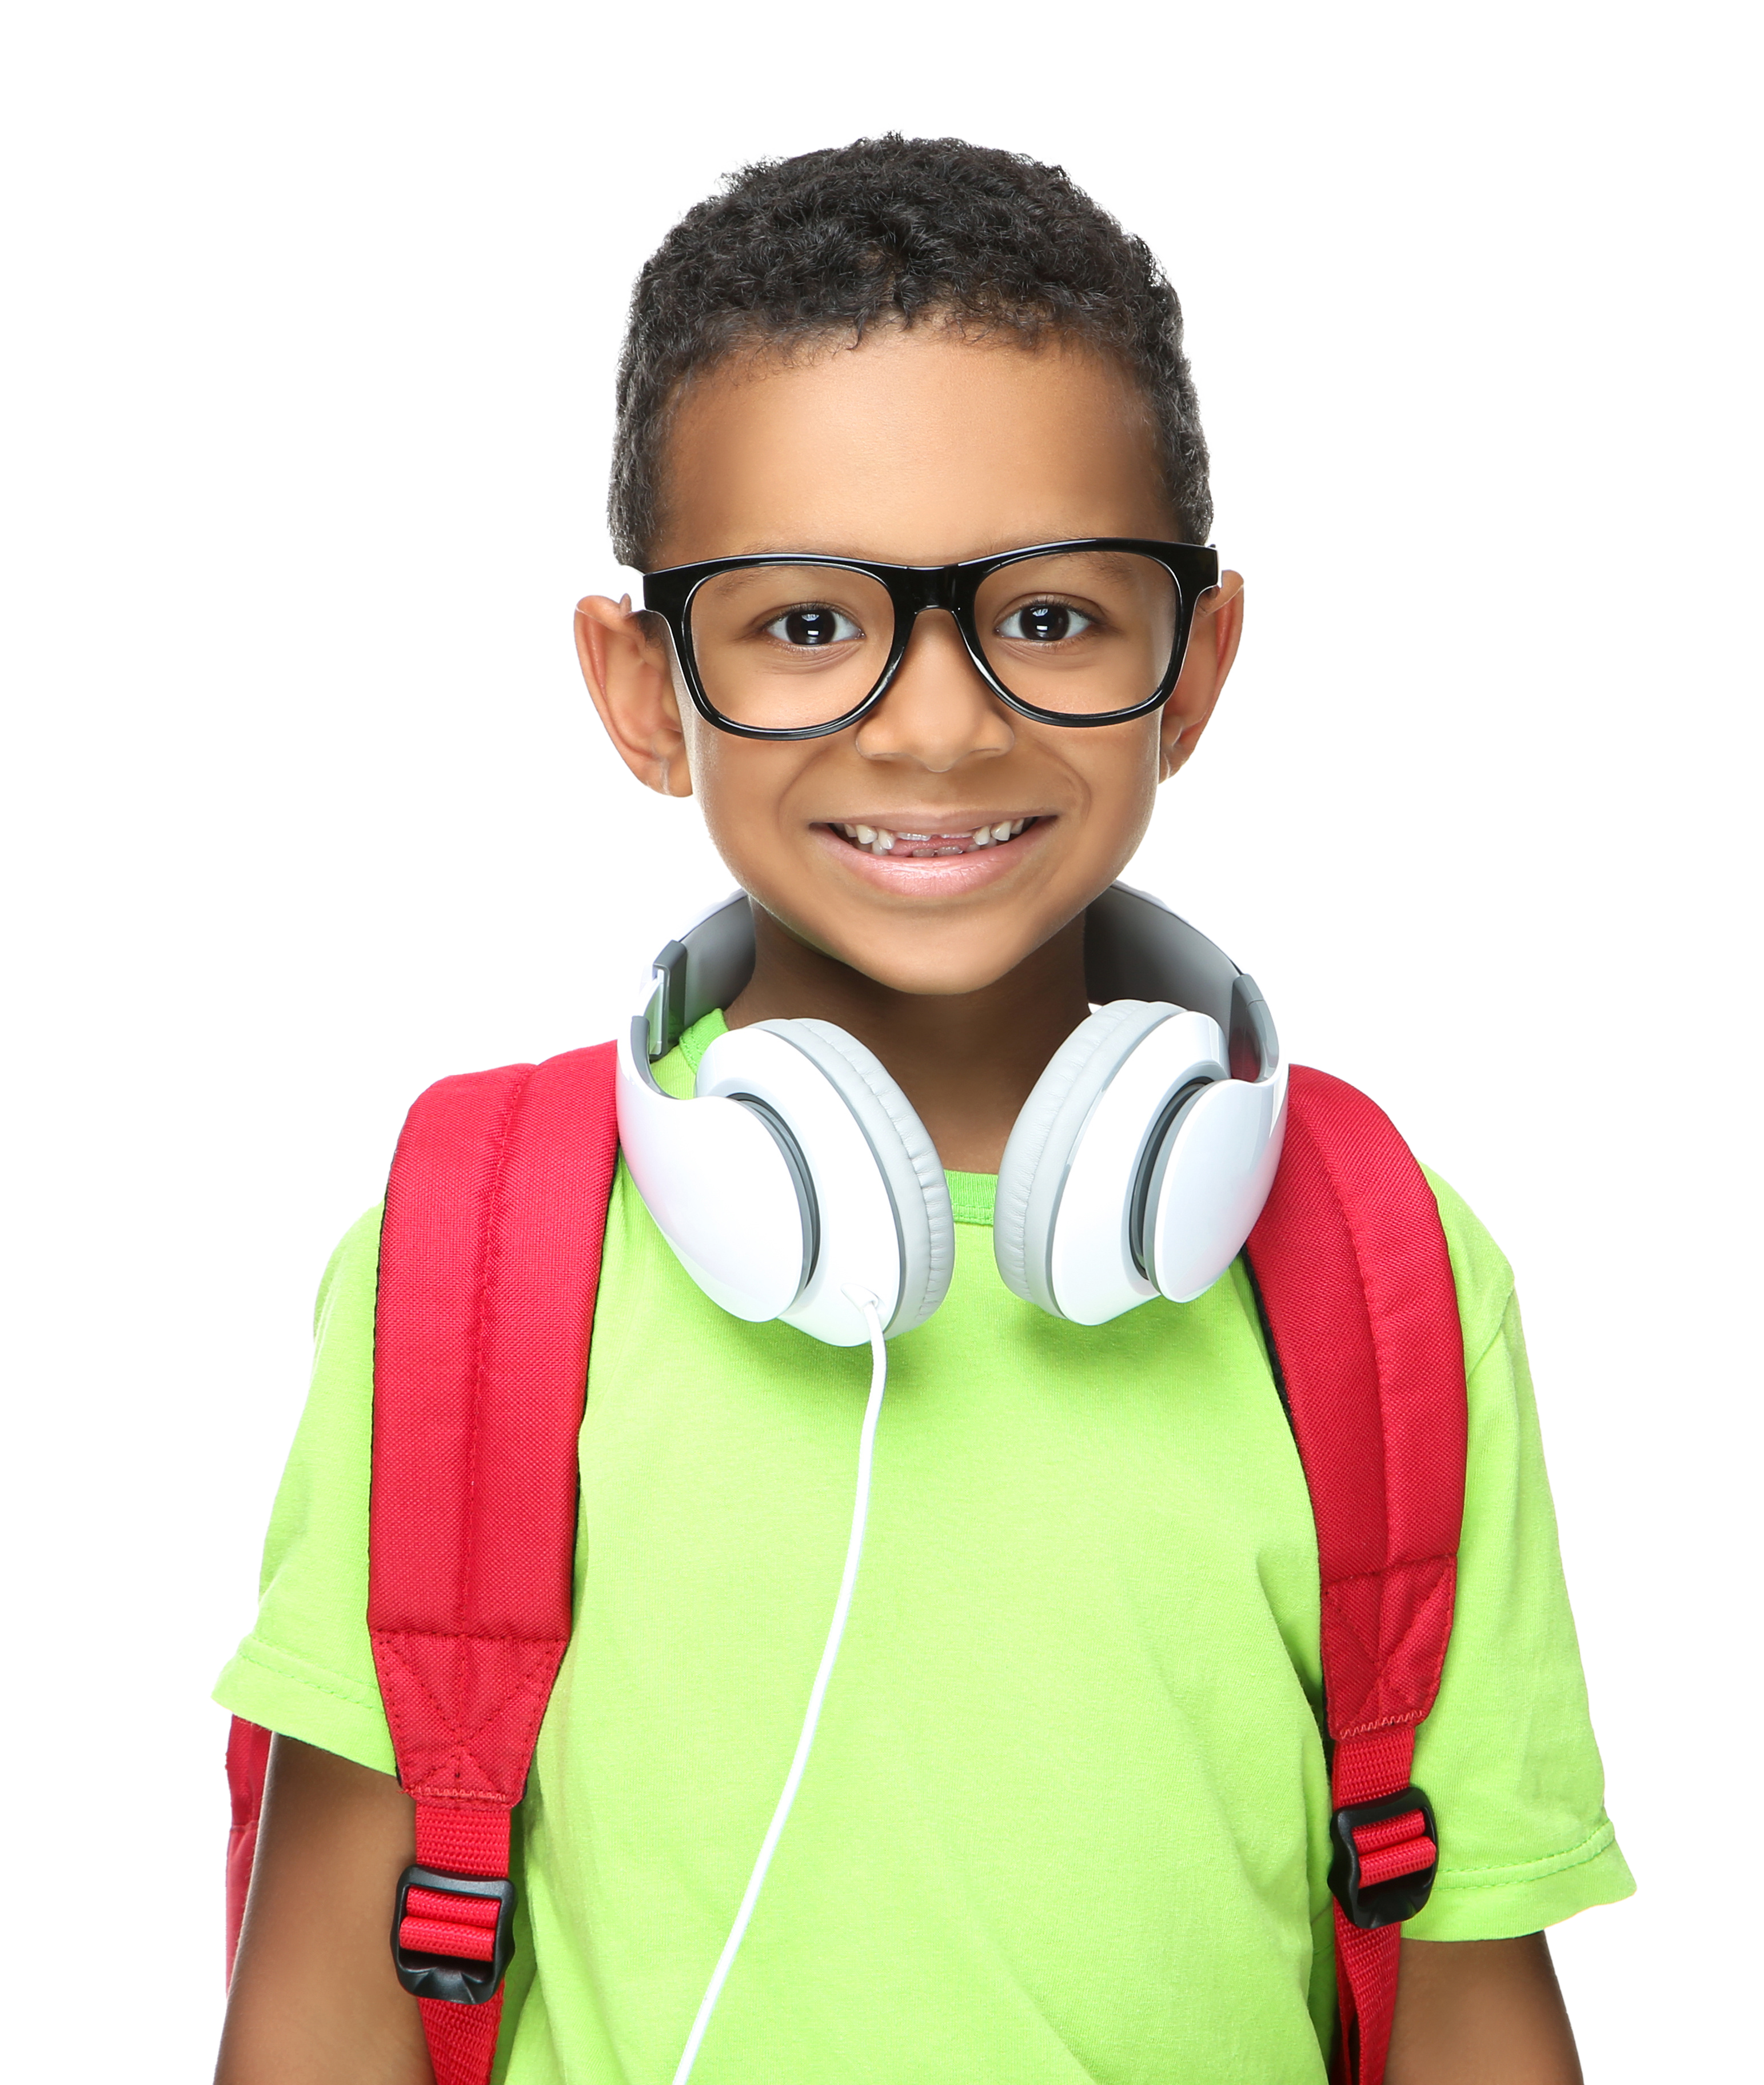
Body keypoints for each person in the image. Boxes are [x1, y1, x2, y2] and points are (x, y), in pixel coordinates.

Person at [213, 132, 1629, 2085]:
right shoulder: (476, 1254)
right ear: (643, 688)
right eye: (804, 623)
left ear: (1195, 666)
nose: (940, 724)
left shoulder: (1378, 1271)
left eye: (1050, 617)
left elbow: (1472, 1993)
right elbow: (328, 2001)